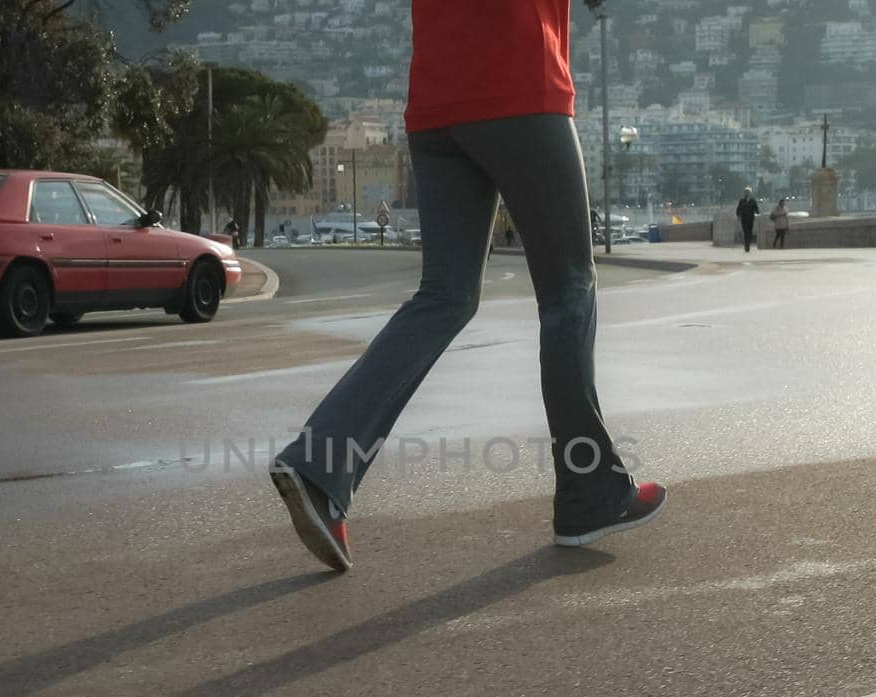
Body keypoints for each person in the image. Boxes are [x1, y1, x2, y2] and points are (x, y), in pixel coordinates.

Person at [269, 0, 666, 572]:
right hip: (519, 83)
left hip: (436, 105)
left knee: (445, 296)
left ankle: (318, 464)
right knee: (568, 291)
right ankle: (590, 493)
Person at [736, 188, 759, 253]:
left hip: (751, 220)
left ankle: (748, 244)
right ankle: (747, 245)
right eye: (746, 192)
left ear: (750, 193)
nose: (747, 193)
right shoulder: (742, 201)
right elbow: (738, 209)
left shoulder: (753, 201)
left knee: (750, 233)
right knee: (746, 233)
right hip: (744, 220)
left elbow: (756, 209)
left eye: (748, 192)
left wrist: (757, 212)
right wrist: (738, 215)